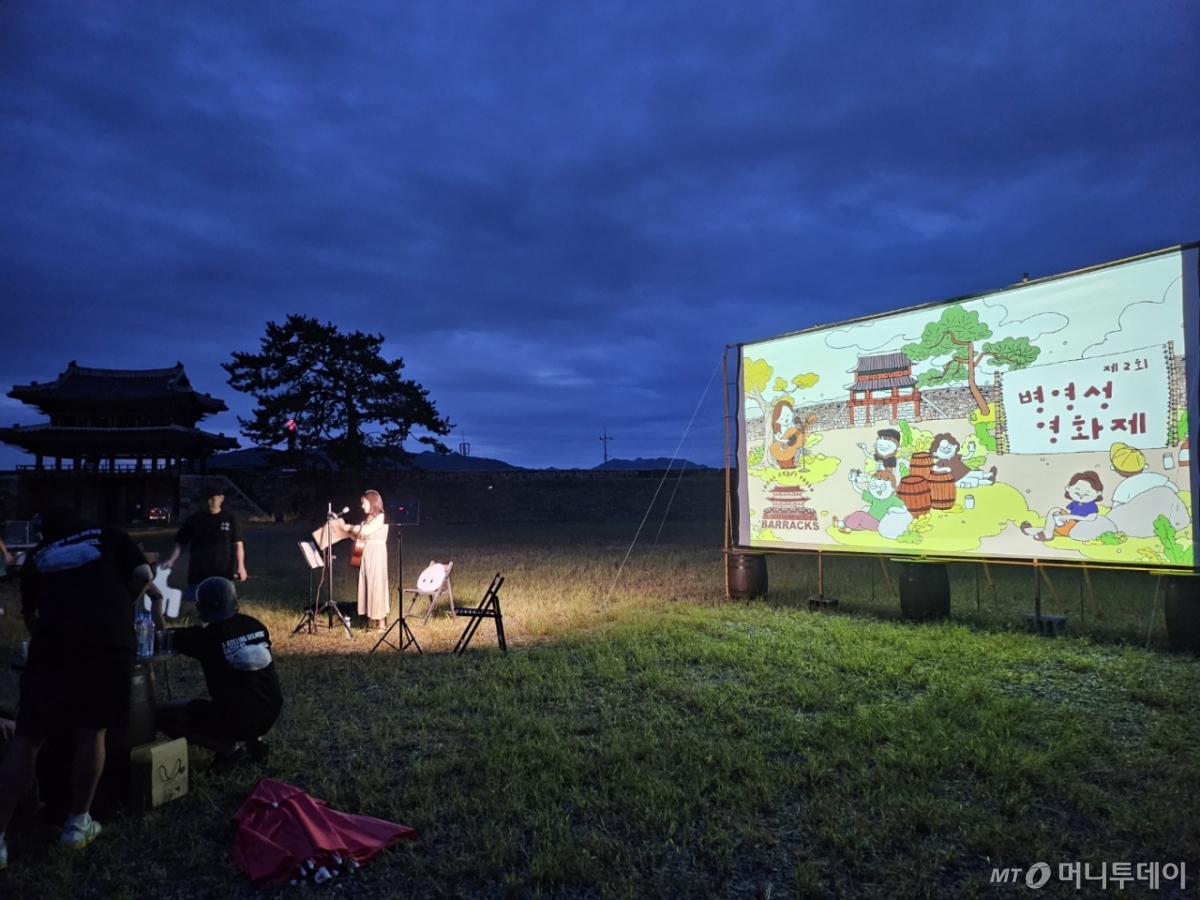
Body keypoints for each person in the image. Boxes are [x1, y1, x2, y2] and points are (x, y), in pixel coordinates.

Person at [0, 508, 163, 868]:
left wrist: (46, 641)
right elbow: (143, 574)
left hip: (51, 647)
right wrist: (122, 606)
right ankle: (77, 824)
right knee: (92, 733)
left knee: (27, 738)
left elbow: (31, 614)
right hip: (106, 643)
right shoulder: (107, 533)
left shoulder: (36, 557)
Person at [155, 577, 282, 768]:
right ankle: (254, 742)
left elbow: (161, 638)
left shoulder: (205, 638)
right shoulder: (254, 625)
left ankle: (228, 750)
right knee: (246, 692)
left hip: (238, 718)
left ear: (201, 607)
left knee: (162, 714)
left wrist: (156, 605)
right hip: (271, 707)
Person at [160, 484, 247, 602]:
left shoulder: (230, 519)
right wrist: (171, 560)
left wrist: (240, 567)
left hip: (223, 571)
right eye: (207, 498)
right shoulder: (194, 519)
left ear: (221, 498)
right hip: (198, 571)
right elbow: (181, 542)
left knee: (227, 603)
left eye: (212, 498)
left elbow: (238, 545)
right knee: (194, 604)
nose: (209, 501)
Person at [1020, 471, 1108, 542]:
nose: (1081, 495)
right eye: (1077, 493)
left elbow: (1090, 518)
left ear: (1098, 493)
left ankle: (1047, 535)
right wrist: (1064, 517)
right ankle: (1032, 531)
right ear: (1068, 489)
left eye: (1086, 494)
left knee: (1055, 511)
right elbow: (1067, 512)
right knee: (1054, 522)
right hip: (1067, 526)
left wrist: (1070, 516)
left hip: (1078, 528)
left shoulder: (1091, 506)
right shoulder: (1074, 503)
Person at [833, 469, 911, 538]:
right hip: (870, 519)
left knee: (859, 516)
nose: (878, 489)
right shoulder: (874, 498)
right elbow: (860, 491)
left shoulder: (892, 499)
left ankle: (841, 524)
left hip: (878, 522)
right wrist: (853, 481)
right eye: (874, 486)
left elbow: (904, 509)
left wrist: (893, 509)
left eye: (883, 487)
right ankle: (847, 527)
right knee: (852, 519)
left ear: (893, 488)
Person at [353, 490, 389, 630]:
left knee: (377, 584)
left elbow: (365, 532)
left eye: (364, 503)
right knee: (367, 584)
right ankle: (370, 620)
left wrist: (353, 528)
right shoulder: (367, 520)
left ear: (373, 502)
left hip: (377, 553)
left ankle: (381, 623)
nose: (362, 506)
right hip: (367, 553)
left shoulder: (381, 517)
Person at [930, 433, 996, 488]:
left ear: (954, 446)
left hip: (964, 472)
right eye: (943, 449)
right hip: (956, 479)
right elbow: (934, 468)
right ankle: (988, 482)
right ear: (935, 453)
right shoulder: (942, 462)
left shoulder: (956, 456)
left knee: (974, 474)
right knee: (971, 481)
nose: (946, 450)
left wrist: (971, 450)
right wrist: (945, 469)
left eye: (948, 447)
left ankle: (990, 474)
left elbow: (967, 457)